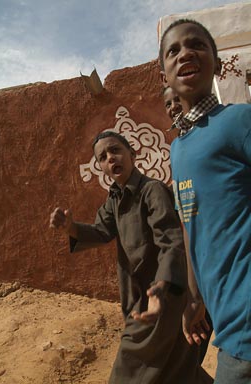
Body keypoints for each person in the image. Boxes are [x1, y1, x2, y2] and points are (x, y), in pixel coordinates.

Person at [50, 131, 212, 384]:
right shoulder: (114, 198)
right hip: (140, 298)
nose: (110, 158)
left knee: (127, 373)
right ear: (101, 168)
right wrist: (70, 227)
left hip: (162, 298)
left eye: (115, 150)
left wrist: (161, 288)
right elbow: (101, 231)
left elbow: (171, 242)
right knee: (178, 371)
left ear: (132, 154)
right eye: (102, 157)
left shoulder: (152, 191)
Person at [159, 18, 251, 384]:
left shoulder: (239, 120)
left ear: (214, 59)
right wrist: (194, 299)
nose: (185, 53)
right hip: (226, 320)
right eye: (173, 50)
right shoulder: (178, 149)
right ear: (163, 73)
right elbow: (189, 223)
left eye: (196, 44)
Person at [163, 85, 213, 365]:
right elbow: (187, 215)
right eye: (167, 104)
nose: (172, 107)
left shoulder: (219, 130)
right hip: (201, 263)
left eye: (176, 100)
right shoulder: (178, 148)